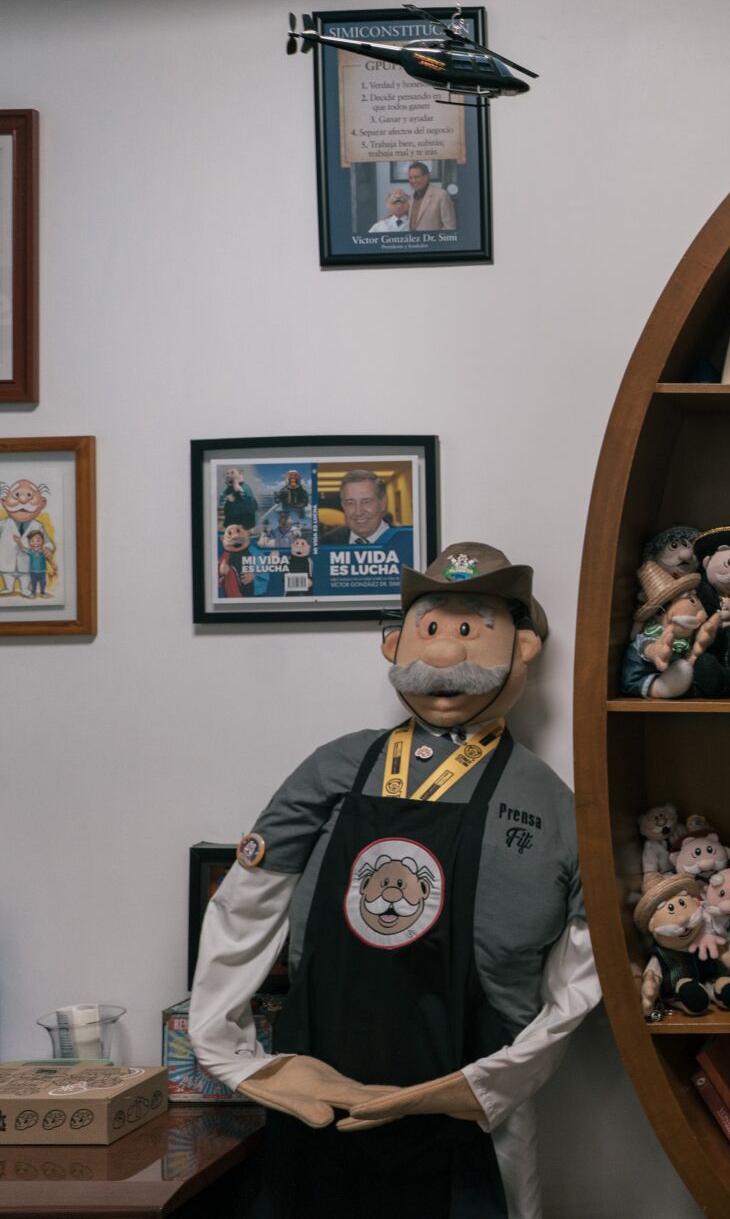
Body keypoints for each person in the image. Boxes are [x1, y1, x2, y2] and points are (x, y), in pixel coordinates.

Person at [189, 543, 598, 1219]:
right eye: (430, 629)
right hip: (316, 1097)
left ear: (523, 647)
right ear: (393, 642)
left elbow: (583, 976)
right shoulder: (335, 768)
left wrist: (485, 1085)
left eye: (470, 631)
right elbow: (247, 901)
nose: (443, 657)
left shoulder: (551, 804)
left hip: (472, 1116)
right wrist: (243, 1060)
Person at [320, 469, 410, 559]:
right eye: (350, 503)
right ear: (343, 505)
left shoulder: (407, 542)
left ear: (383, 503)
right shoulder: (327, 543)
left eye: (367, 501)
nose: (358, 512)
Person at [406, 162, 457, 232]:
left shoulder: (441, 195)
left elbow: (449, 227)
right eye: (410, 177)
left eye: (416, 177)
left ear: (426, 177)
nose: (413, 181)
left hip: (434, 242)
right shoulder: (410, 198)